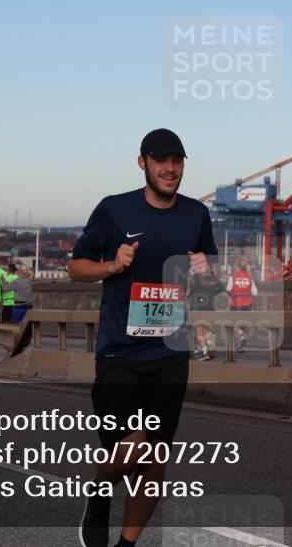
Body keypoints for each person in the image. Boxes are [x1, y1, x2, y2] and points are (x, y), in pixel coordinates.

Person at [68, 128, 217, 547]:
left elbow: (210, 277)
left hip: (170, 352)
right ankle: (99, 494)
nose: (170, 169)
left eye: (178, 161)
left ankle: (127, 545)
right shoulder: (115, 210)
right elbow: (76, 268)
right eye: (161, 161)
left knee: (155, 460)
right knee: (132, 447)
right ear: (143, 163)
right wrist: (113, 266)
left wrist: (207, 272)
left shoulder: (195, 216)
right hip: (119, 352)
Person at [188, 270, 224, 360]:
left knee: (199, 330)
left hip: (197, 307)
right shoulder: (212, 279)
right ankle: (210, 341)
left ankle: (205, 352)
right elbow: (221, 288)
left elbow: (191, 290)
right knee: (205, 328)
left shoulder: (196, 278)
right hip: (209, 307)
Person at [226, 259, 258, 351]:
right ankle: (241, 344)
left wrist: (231, 295)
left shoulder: (233, 277)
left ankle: (240, 334)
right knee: (243, 323)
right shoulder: (249, 278)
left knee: (233, 322)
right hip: (247, 304)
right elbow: (255, 293)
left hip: (236, 303)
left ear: (238, 266)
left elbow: (228, 288)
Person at [2, 265, 35, 354]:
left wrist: (3, 281)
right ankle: (27, 341)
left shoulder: (17, 281)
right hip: (29, 307)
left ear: (20, 273)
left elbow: (5, 289)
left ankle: (16, 345)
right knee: (27, 326)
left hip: (19, 307)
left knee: (16, 327)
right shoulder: (29, 282)